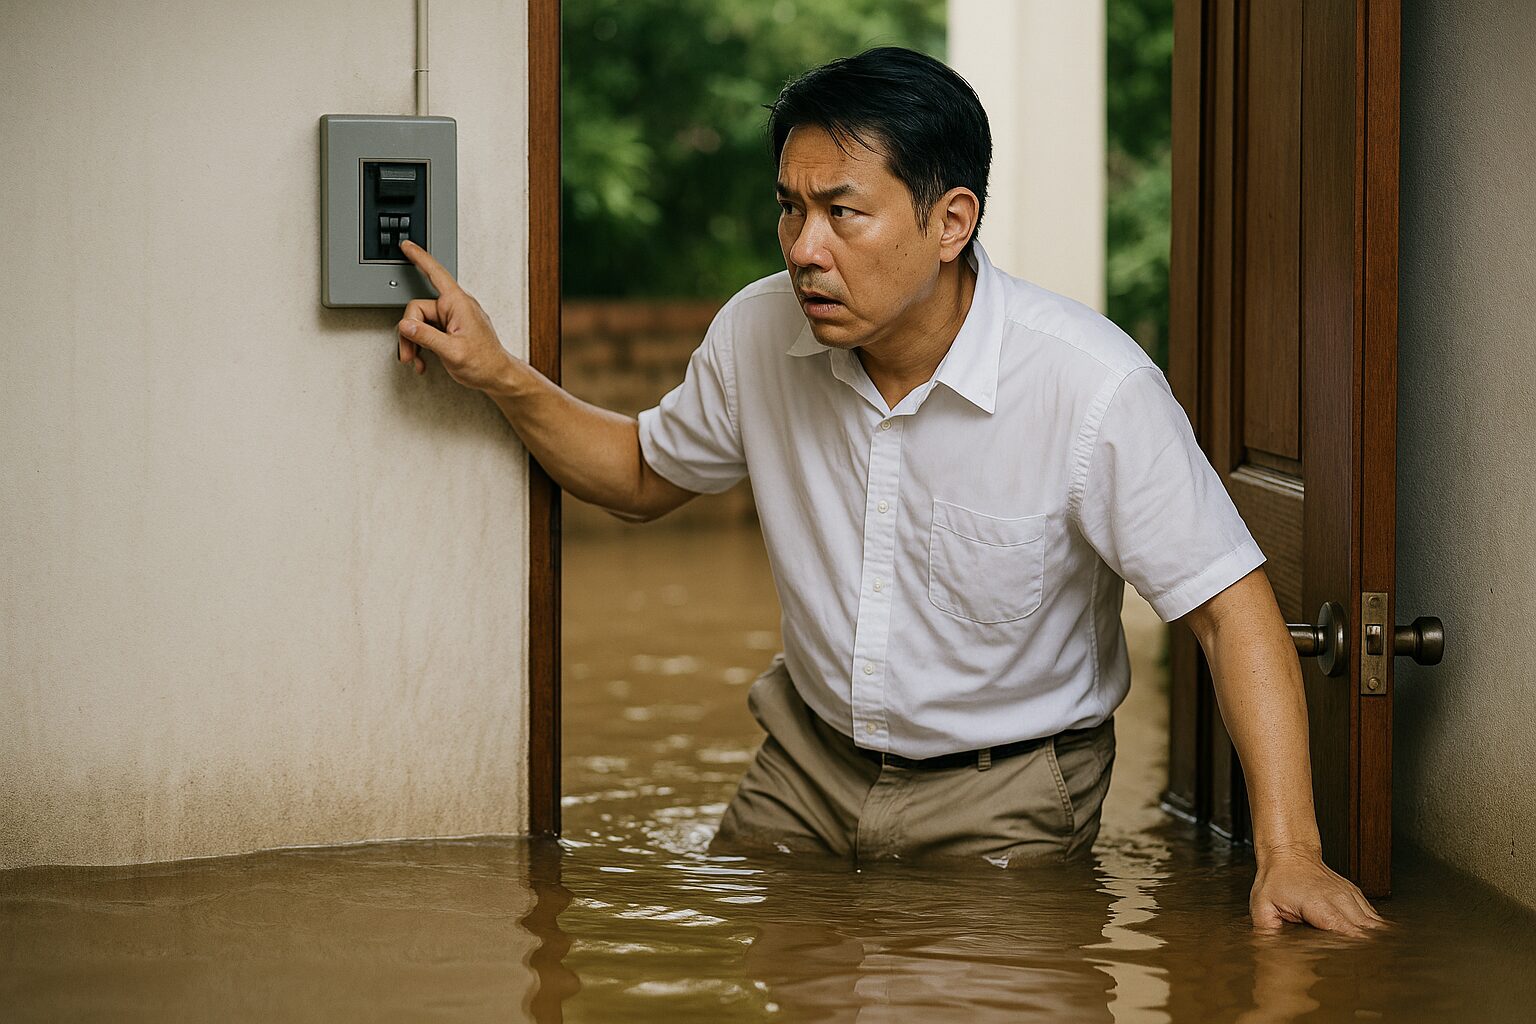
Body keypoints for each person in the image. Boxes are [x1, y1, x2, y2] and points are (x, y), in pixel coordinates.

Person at [392, 47, 1384, 936]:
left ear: (951, 221)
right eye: (789, 206)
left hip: (1007, 794)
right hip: (804, 767)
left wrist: (1288, 851)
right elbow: (645, 475)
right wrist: (500, 375)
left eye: (841, 212)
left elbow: (1228, 609)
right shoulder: (758, 333)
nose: (802, 247)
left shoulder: (1093, 387)